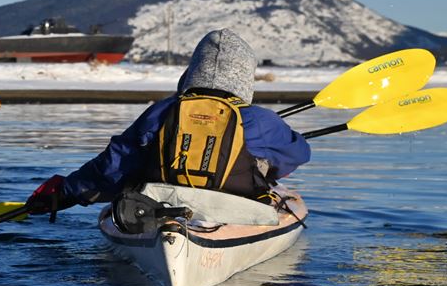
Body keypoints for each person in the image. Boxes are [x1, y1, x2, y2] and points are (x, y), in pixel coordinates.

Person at [26, 29, 311, 216]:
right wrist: (264, 163)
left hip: (162, 210)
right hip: (234, 211)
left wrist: (65, 191)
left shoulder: (162, 111)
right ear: (245, 77)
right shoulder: (261, 120)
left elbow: (113, 165)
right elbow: (299, 154)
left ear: (193, 70)